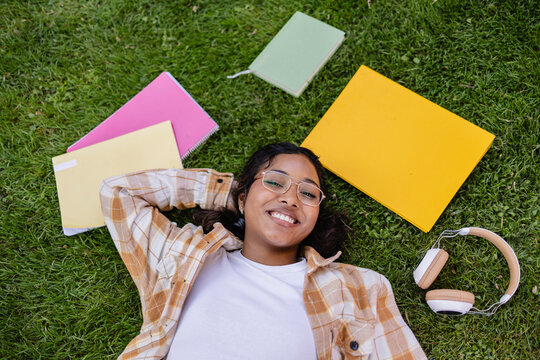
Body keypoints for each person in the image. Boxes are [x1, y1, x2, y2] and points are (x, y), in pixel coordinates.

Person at [100, 142, 427, 360]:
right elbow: (119, 193)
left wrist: (259, 196)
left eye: (308, 193)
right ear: (242, 199)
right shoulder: (183, 254)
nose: (291, 198)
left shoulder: (363, 287)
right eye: (274, 182)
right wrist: (229, 192)